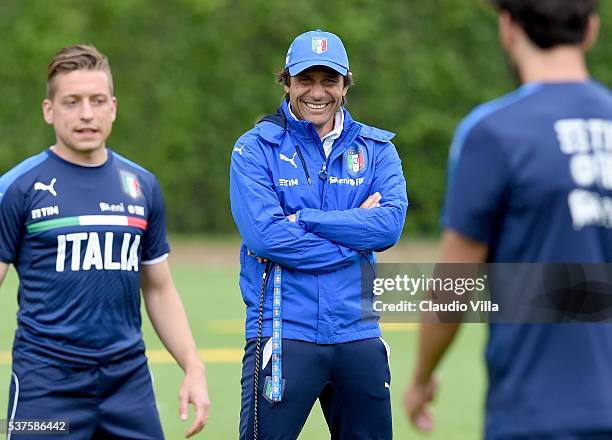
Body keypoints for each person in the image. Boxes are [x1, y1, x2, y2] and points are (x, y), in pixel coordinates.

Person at [403, 0, 612, 438]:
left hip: (535, 414)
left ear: (508, 27)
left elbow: (451, 290)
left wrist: (421, 380)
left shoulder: (494, 133)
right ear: (591, 29)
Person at [0, 45, 210, 439]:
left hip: (127, 384)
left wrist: (193, 368)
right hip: (45, 386)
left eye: (97, 101)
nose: (86, 114)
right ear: (49, 110)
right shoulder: (18, 187)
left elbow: (160, 290)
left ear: (113, 107)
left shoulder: (142, 186)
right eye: (72, 102)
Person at [230, 29, 408, 439]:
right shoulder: (254, 148)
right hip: (282, 331)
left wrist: (306, 219)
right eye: (305, 80)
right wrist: (353, 237)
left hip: (359, 332)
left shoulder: (378, 148)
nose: (317, 92)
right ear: (287, 82)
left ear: (345, 84)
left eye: (329, 80)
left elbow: (388, 225)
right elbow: (267, 238)